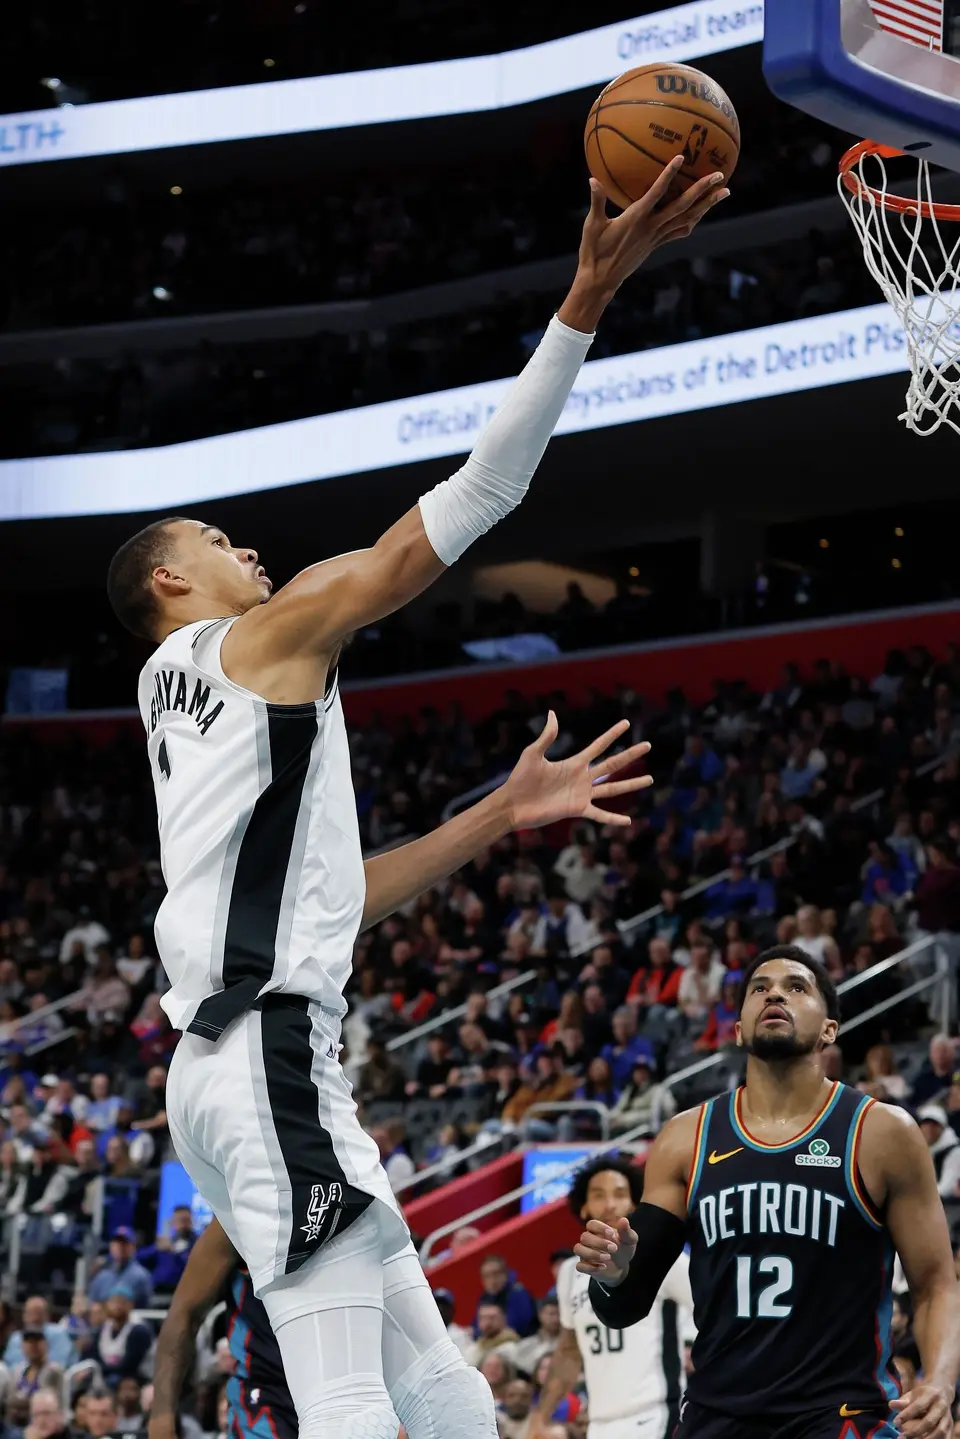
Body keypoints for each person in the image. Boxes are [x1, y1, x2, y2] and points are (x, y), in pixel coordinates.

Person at [107, 162, 726, 1439]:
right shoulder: (255, 644)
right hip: (267, 1051)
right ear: (169, 579)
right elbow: (465, 509)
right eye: (221, 540)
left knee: (437, 1384)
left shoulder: (185, 697)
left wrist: (495, 816)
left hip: (244, 1055)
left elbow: (338, 896)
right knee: (345, 1404)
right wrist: (584, 302)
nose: (251, 552)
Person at [574, 944, 960, 1439]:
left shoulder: (882, 1133)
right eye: (759, 988)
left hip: (838, 1415)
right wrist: (614, 1271)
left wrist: (941, 1383)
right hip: (718, 1415)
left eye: (796, 987)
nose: (774, 992)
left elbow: (935, 1284)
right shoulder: (685, 1138)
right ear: (737, 1029)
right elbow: (623, 1304)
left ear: (829, 1029)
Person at [531, 1158, 692, 1439]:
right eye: (598, 1195)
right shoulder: (570, 1272)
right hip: (601, 1422)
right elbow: (569, 1351)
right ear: (584, 1207)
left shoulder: (662, 1257)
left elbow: (714, 1309)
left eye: (619, 1194)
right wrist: (540, 1417)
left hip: (656, 1414)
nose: (609, 1205)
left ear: (634, 1204)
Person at [147, 1218, 298, 1439]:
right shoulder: (243, 1216)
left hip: (347, 1392)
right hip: (266, 1399)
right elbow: (185, 1312)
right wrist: (161, 1417)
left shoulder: (359, 1202)